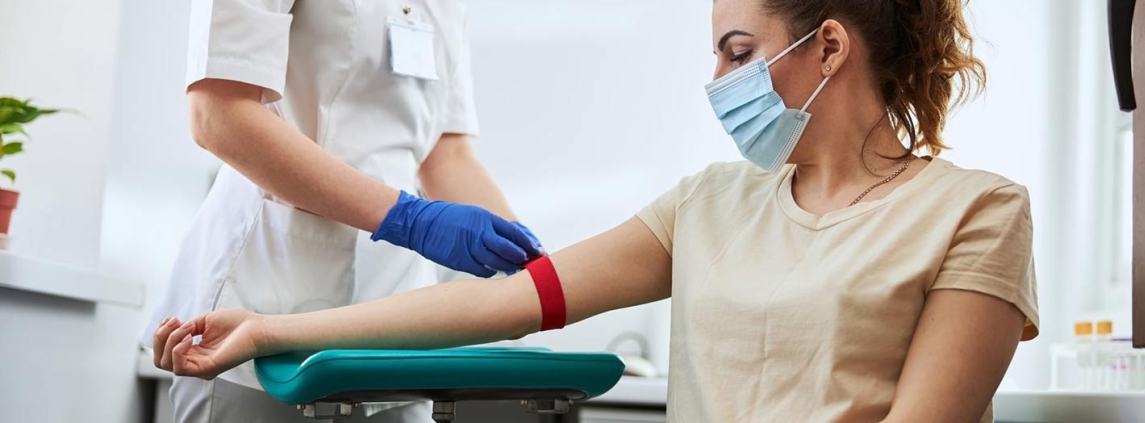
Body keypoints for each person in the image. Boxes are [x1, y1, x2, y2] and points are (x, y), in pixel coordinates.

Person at [154, 0, 1039, 421]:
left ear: (831, 48)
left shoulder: (976, 212)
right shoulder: (709, 204)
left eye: (738, 53)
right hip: (272, 268)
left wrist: (454, 223)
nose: (719, 86)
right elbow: (496, 300)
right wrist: (272, 327)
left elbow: (447, 155)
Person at [142, 1, 543, 422]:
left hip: (398, 320)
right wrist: (409, 218)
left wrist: (533, 271)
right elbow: (217, 112)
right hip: (266, 293)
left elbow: (447, 153)